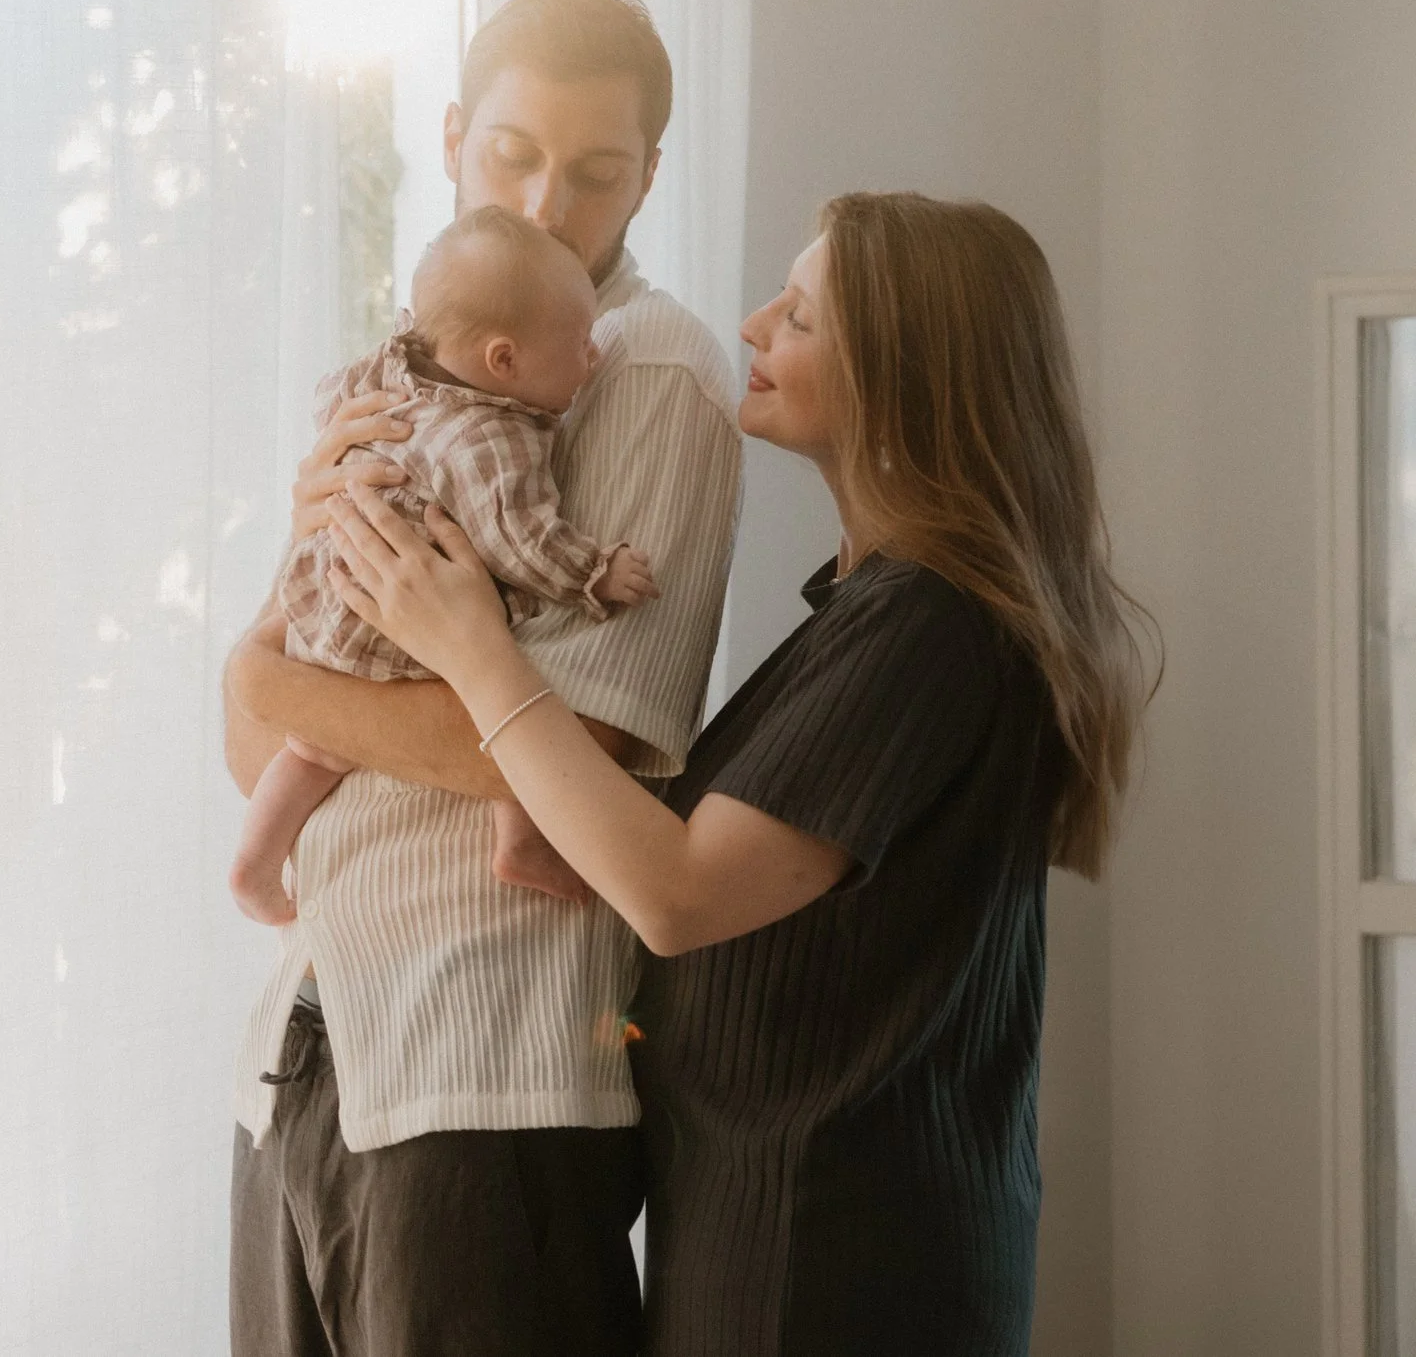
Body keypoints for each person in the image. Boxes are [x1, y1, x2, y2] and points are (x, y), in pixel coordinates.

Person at [321, 192, 1155, 1356]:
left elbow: (679, 892)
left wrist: (472, 647)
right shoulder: (873, 609)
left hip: (836, 1259)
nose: (755, 324)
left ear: (898, 377)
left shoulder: (931, 624)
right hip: (791, 1229)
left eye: (801, 315)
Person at [222, 0, 743, 1356]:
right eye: (513, 152)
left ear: (647, 181)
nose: (550, 200)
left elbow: (575, 757)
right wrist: (273, 678)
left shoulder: (646, 376)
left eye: (596, 172)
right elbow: (253, 740)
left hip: (486, 1077)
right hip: (304, 1054)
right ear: (452, 137)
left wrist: (277, 685)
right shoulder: (401, 375)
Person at [229, 205, 661, 926]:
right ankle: (520, 838)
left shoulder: (390, 367)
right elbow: (524, 536)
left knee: (313, 747)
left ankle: (252, 863)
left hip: (325, 597)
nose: (594, 357)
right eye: (581, 343)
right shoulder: (495, 438)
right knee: (507, 656)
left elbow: (329, 395)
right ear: (504, 361)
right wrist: (594, 572)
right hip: (388, 627)